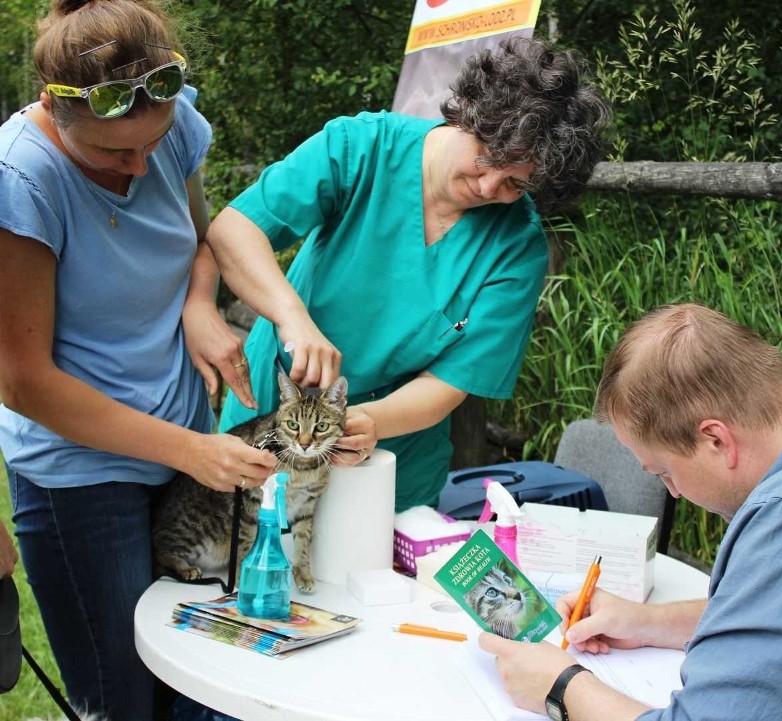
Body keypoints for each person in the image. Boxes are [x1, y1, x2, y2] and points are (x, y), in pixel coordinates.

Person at [0, 1, 341, 718]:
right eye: (112, 154)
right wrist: (193, 450)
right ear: (51, 110)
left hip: (187, 455)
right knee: (125, 699)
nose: (140, 165)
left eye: (152, 143)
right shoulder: (22, 180)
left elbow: (201, 242)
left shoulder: (172, 118)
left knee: (202, 687)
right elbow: (23, 381)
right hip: (84, 477)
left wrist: (198, 306)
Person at [211, 37, 611, 511]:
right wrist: (291, 315)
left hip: (390, 454)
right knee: (245, 558)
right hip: (273, 416)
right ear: (467, 112)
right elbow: (235, 230)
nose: (487, 186)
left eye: (515, 183)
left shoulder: (518, 245)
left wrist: (368, 422)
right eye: (488, 156)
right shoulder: (361, 147)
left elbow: (451, 381)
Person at [480, 303, 782, 721]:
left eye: (664, 472)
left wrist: (561, 685)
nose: (672, 493)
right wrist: (646, 622)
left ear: (716, 440)